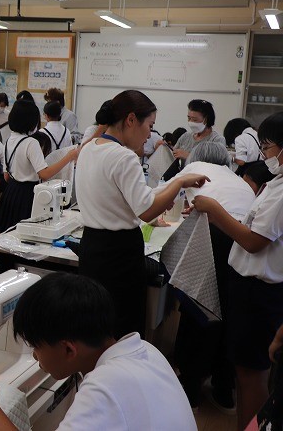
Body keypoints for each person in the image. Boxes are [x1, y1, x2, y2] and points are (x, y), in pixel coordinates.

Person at [0, 273, 196, 431]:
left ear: (68, 349)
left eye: (36, 346)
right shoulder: (146, 351)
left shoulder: (103, 389)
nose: (34, 356)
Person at [76, 91, 209, 338]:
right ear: (130, 120)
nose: (149, 134)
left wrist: (170, 187)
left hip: (92, 247)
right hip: (119, 252)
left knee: (94, 322)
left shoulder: (89, 149)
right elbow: (147, 210)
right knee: (122, 326)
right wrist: (179, 183)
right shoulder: (123, 156)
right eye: (149, 125)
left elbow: (133, 196)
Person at [191, 111, 283, 430]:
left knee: (252, 374)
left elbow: (254, 241)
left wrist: (216, 211)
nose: (264, 154)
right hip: (248, 288)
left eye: (268, 147)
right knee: (243, 372)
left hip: (260, 292)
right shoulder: (275, 183)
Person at [170, 142, 255, 410]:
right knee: (228, 314)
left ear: (196, 157)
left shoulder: (194, 167)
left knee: (199, 309)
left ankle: (190, 388)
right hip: (244, 243)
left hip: (215, 239)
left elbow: (160, 198)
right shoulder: (237, 179)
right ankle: (223, 388)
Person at [0, 100, 78, 234]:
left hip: (10, 193)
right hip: (28, 194)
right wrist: (69, 157)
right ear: (31, 121)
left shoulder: (9, 141)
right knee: (26, 235)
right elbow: (44, 174)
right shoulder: (31, 143)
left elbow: (6, 176)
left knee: (7, 234)